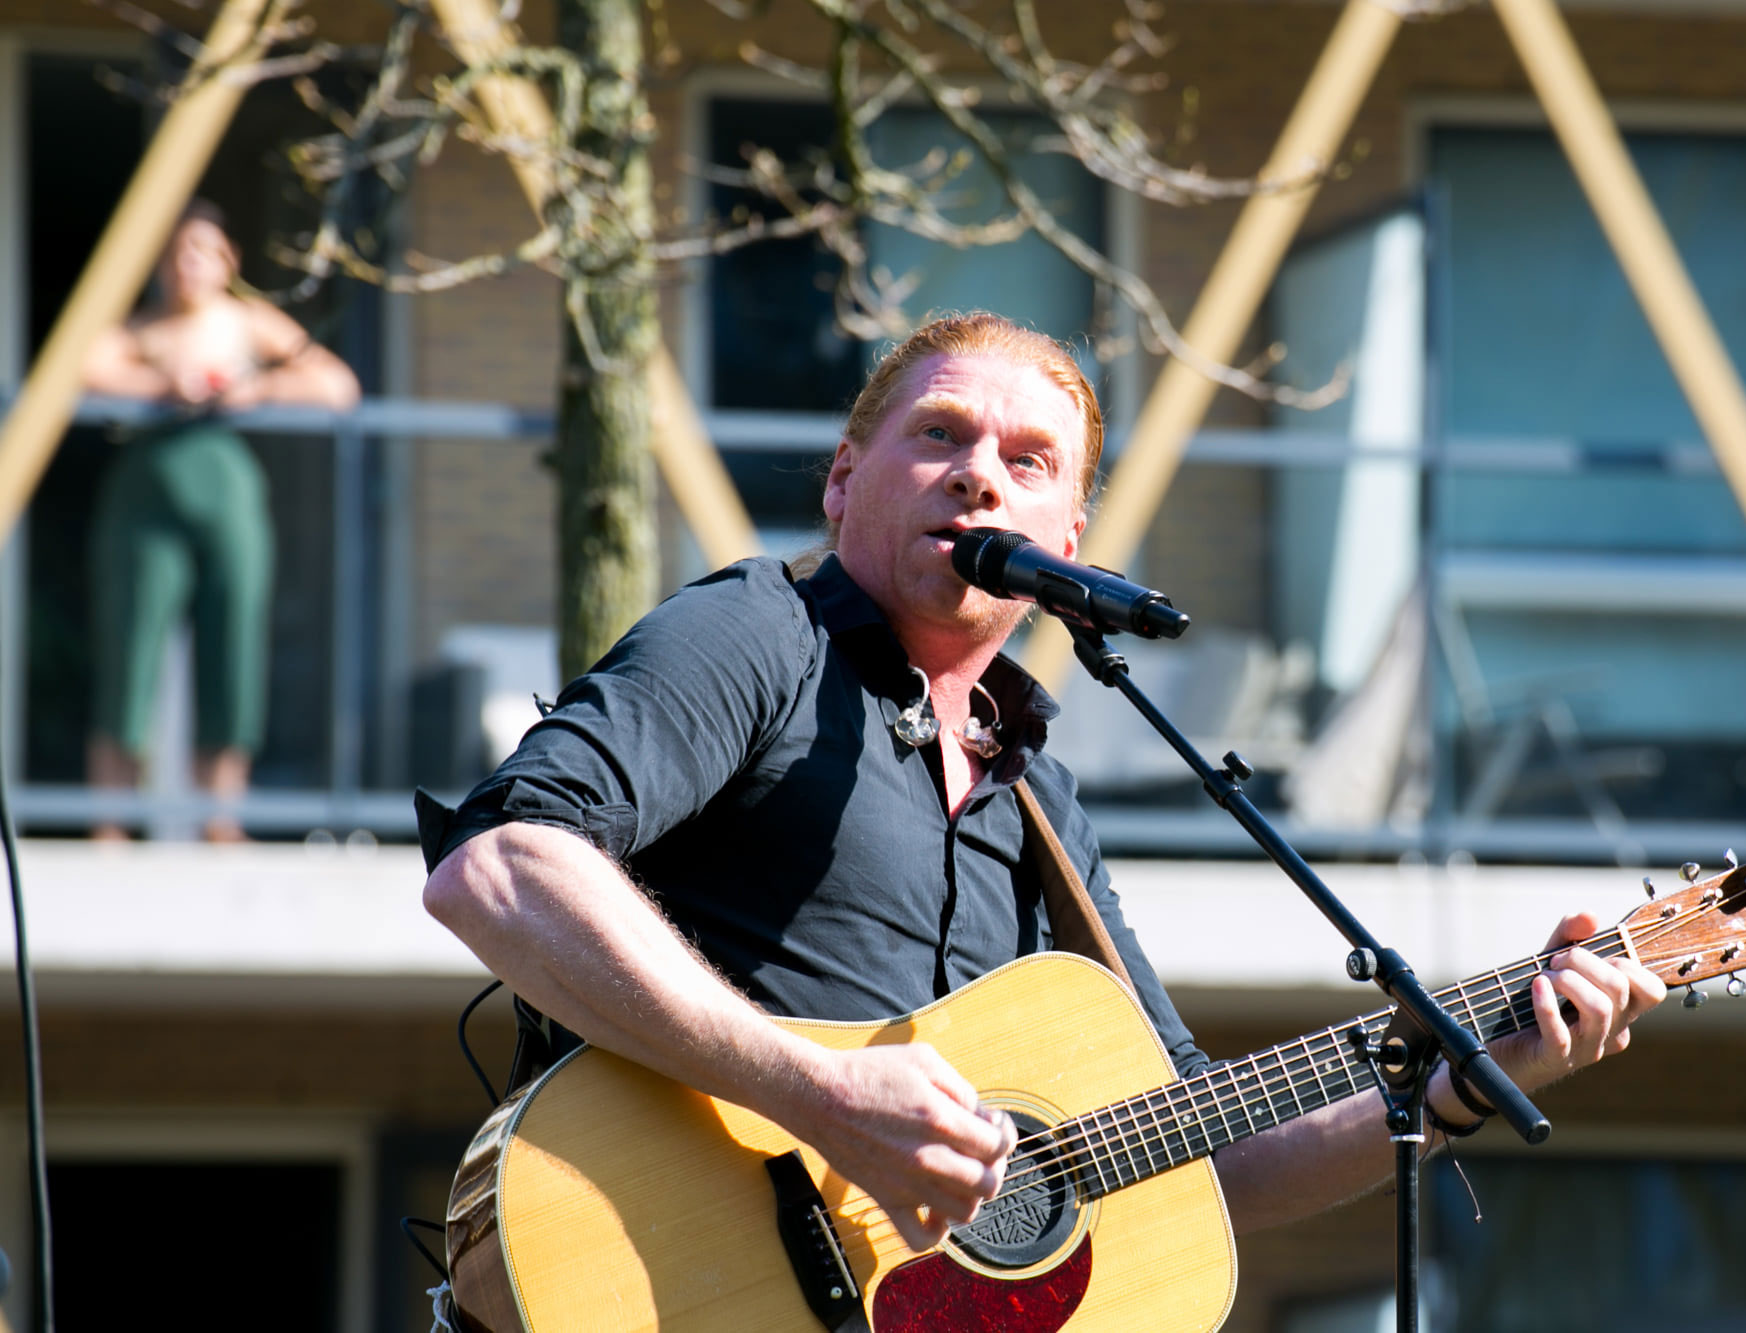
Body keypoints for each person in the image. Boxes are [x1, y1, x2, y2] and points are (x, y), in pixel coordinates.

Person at [419, 312, 1664, 1252]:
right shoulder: (757, 633)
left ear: (1063, 544)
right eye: (940, 437)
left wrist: (1472, 1076)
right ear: (843, 480)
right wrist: (822, 1094)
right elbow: (499, 868)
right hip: (652, 1263)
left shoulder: (1038, 799)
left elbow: (1200, 1155)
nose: (979, 476)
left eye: (1028, 460)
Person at [79, 200, 360, 841]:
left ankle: (221, 817)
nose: (189, 264)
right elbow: (83, 367)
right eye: (178, 250)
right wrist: (159, 385)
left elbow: (336, 385)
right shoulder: (142, 327)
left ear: (227, 261)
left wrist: (255, 389)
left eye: (203, 250)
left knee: (231, 647)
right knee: (132, 645)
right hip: (146, 496)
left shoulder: (248, 321)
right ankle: (110, 820)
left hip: (227, 490)